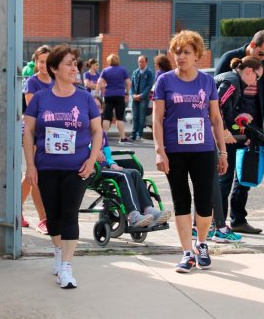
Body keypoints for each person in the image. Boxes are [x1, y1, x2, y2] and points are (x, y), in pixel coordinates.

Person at [23, 44, 103, 289]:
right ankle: (58, 252)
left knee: (69, 214)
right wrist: (30, 166)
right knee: (53, 217)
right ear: (55, 68)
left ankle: (67, 266)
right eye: (68, 63)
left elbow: (97, 130)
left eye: (74, 64)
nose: (74, 68)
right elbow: (28, 133)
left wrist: (91, 160)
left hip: (76, 167)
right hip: (46, 167)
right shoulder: (40, 98)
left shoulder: (85, 98)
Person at [153, 30, 228, 273]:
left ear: (197, 55)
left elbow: (216, 118)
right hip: (174, 150)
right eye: (177, 52)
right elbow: (157, 119)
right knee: (181, 200)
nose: (180, 56)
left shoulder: (207, 82)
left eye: (186, 52)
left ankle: (202, 244)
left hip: (204, 149)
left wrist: (223, 151)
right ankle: (187, 253)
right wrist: (159, 151)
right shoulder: (164, 81)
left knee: (205, 202)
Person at [215, 30, 264, 235]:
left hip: (253, 125)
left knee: (246, 175)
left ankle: (238, 219)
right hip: (231, 125)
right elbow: (218, 98)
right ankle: (220, 222)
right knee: (225, 172)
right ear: (252, 44)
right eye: (261, 54)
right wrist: (224, 127)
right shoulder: (229, 60)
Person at [93, 96, 172, 227]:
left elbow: (107, 153)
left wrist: (112, 163)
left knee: (134, 172)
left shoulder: (102, 133)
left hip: (106, 167)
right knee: (123, 175)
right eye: (93, 106)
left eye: (98, 107)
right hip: (93, 170)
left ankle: (148, 209)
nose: (96, 109)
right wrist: (93, 151)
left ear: (102, 110)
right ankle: (133, 215)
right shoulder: (82, 129)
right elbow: (79, 147)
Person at [21, 45, 53, 233]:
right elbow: (33, 111)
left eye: (48, 61)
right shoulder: (32, 82)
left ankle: (16, 210)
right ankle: (43, 219)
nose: (44, 65)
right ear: (36, 62)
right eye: (41, 61)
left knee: (34, 177)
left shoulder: (56, 80)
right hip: (35, 133)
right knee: (35, 175)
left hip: (53, 134)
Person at [96, 53, 132, 144]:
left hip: (108, 95)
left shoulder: (105, 70)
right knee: (119, 117)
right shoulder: (122, 70)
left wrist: (96, 94)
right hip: (120, 95)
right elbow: (128, 82)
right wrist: (127, 92)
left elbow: (99, 82)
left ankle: (103, 137)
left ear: (109, 61)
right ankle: (122, 138)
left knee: (107, 117)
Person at [130, 56, 154, 141]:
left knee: (141, 117)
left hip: (143, 98)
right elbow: (132, 85)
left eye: (142, 62)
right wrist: (133, 95)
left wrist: (141, 96)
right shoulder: (135, 72)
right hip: (135, 98)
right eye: (139, 61)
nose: (140, 63)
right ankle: (133, 134)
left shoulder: (149, 73)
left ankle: (138, 134)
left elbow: (149, 86)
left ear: (146, 62)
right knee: (135, 116)